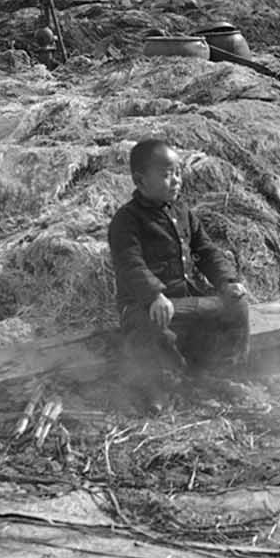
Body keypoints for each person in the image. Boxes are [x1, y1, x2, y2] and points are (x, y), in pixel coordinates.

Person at [108, 139, 250, 411]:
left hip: (186, 302)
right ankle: (160, 386)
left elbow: (206, 250)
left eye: (177, 173)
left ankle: (221, 376)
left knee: (237, 304)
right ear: (140, 180)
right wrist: (154, 295)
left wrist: (227, 281)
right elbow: (130, 264)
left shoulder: (183, 212)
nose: (175, 181)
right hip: (145, 307)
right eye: (165, 175)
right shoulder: (126, 220)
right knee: (151, 326)